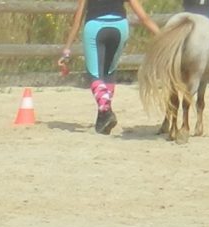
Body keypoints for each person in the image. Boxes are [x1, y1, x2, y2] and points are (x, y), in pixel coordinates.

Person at [58, 0, 161, 135]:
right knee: (109, 71)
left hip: (95, 27)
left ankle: (106, 111)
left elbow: (77, 20)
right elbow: (143, 17)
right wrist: (163, 37)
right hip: (120, 26)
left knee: (94, 74)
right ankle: (102, 117)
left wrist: (67, 50)